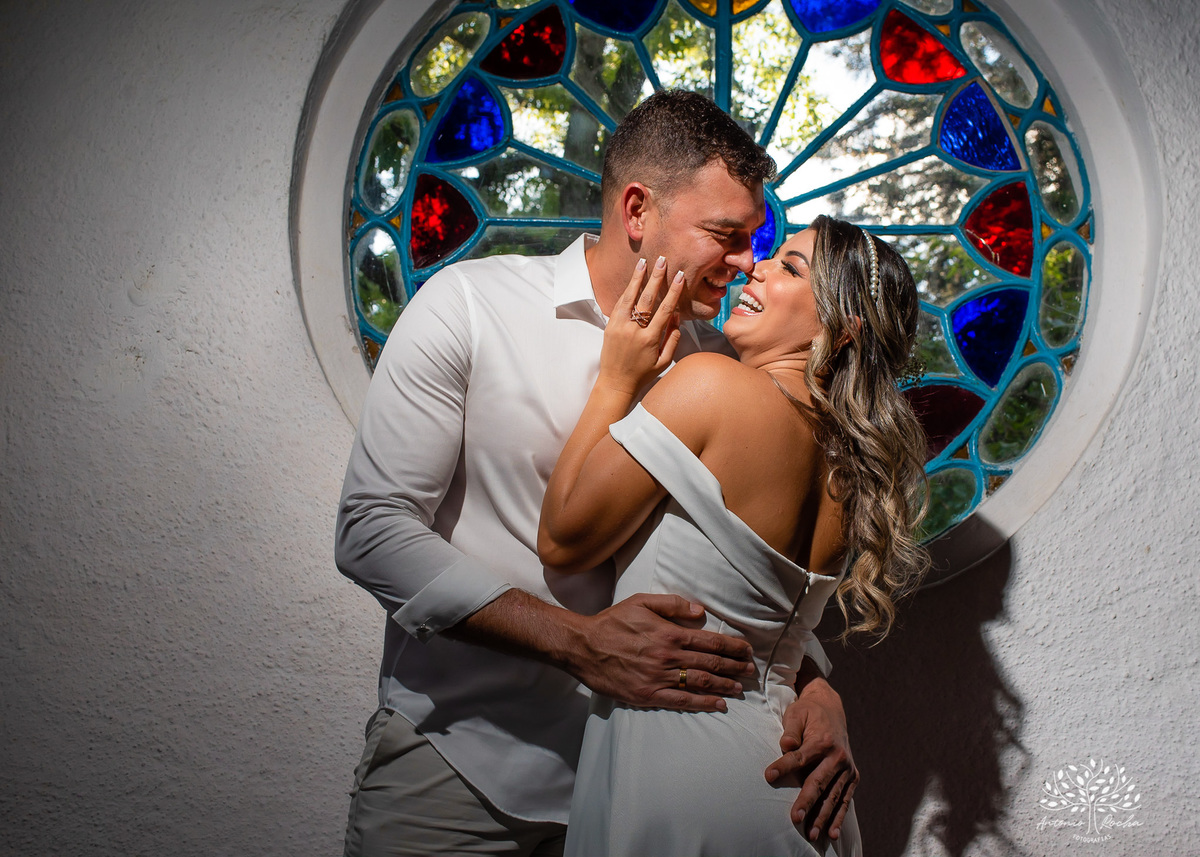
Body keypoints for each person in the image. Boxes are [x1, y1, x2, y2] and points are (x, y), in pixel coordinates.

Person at [335, 90, 857, 857]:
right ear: (638, 210)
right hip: (456, 765)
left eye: (756, 240)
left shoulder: (718, 366)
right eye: (726, 235)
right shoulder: (471, 305)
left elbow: (737, 574)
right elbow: (371, 532)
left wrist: (812, 684)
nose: (748, 261)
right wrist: (578, 643)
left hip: (638, 791)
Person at [539, 215, 929, 856]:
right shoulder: (856, 470)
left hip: (682, 769)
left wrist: (616, 380)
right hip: (798, 790)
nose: (758, 266)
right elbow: (770, 626)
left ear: (842, 328)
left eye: (792, 268)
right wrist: (820, 687)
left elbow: (562, 539)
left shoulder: (711, 385)